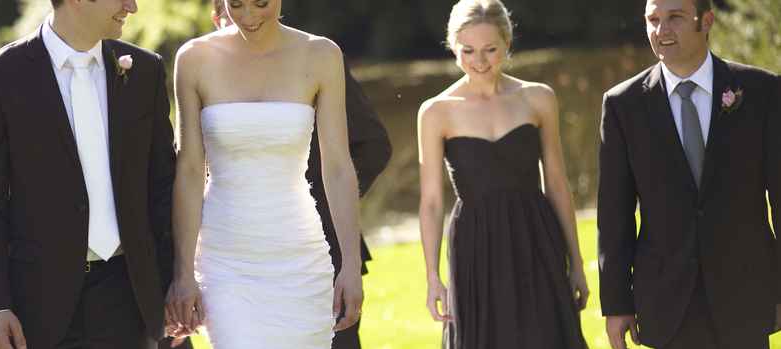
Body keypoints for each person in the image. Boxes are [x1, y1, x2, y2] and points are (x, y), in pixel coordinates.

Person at [159, 1, 391, 348]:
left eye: (261, 3)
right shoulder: (193, 59)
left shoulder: (321, 55)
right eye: (235, 4)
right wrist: (183, 273)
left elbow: (339, 167)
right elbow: (190, 171)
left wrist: (350, 265)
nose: (248, 16)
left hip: (300, 254)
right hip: (226, 259)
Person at [0, 0, 176, 347]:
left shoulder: (144, 71)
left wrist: (173, 282)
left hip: (130, 297)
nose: (132, 6)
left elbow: (163, 187)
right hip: (40, 306)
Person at [598, 0, 781, 348]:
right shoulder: (622, 105)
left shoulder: (763, 91)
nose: (661, 30)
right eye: (653, 20)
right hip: (665, 303)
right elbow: (614, 216)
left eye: (675, 18)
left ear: (707, 20)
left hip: (745, 294)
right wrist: (617, 304)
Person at [416, 1, 590, 348]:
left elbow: (556, 183)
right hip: (474, 245)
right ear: (453, 47)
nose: (479, 61)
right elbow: (432, 202)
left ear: (507, 44)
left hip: (536, 237)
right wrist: (433, 277)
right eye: (467, 51)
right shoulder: (435, 112)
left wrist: (577, 264)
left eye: (490, 49)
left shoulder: (538, 98)